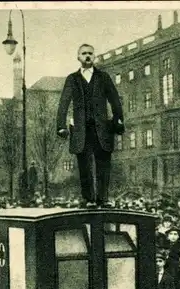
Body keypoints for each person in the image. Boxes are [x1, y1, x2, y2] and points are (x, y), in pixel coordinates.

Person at [56, 43, 125, 208]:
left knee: (104, 164)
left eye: (90, 53)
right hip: (81, 129)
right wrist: (61, 125)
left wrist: (118, 120)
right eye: (84, 53)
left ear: (94, 57)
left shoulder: (104, 77)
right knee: (84, 165)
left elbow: (115, 99)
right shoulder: (72, 79)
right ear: (78, 57)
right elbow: (63, 103)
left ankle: (103, 198)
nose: (87, 56)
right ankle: (88, 199)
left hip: (102, 128)